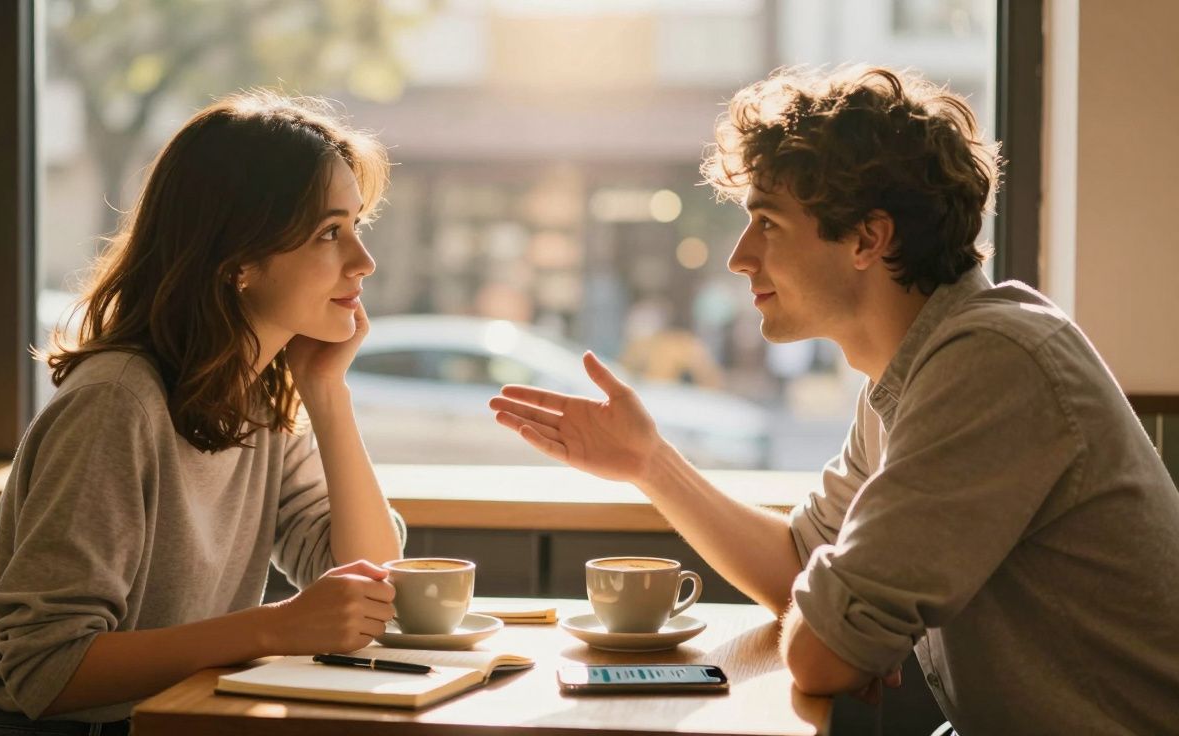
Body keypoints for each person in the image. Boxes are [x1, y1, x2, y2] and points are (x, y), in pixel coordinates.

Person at [489, 66, 1179, 735]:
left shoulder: (991, 365)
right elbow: (800, 569)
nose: (738, 256)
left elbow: (821, 654)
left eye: (769, 223)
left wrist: (842, 630)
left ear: (868, 239)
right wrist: (650, 464)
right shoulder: (911, 375)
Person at [0, 90, 405, 734]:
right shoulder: (117, 403)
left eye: (358, 226)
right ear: (238, 258)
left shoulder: (262, 393)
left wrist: (327, 394)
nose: (364, 262)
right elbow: (46, 667)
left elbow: (369, 582)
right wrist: (275, 627)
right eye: (330, 232)